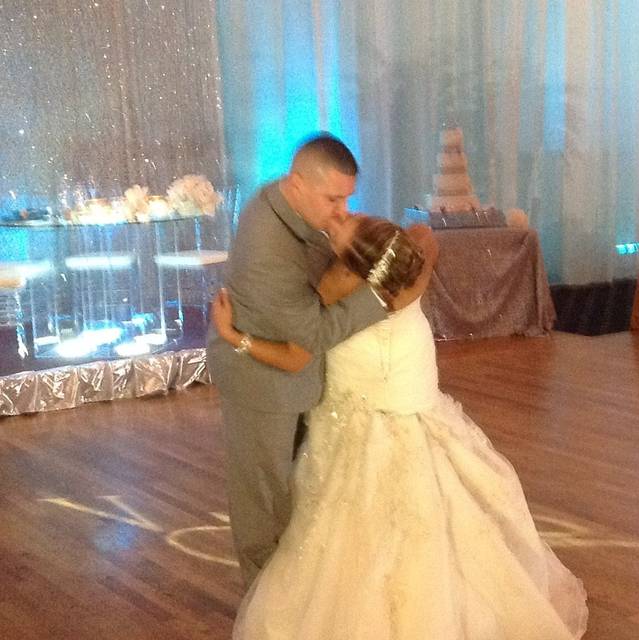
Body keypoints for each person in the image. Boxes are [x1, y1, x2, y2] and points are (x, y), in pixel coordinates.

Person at [211, 215, 588, 639]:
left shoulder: (335, 289)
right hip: (417, 414)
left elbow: (296, 357)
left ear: (353, 264)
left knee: (358, 541)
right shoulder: (412, 273)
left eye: (342, 227)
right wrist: (383, 248)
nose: (339, 219)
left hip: (363, 422)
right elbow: (424, 237)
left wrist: (234, 336)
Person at [206, 133, 433, 587]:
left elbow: (423, 240)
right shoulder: (268, 251)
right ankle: (264, 611)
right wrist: (384, 296)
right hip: (263, 387)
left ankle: (302, 595)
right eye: (334, 199)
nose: (343, 211)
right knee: (263, 507)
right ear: (296, 185)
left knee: (304, 498)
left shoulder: (295, 207)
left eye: (348, 199)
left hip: (304, 376)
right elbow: (313, 333)